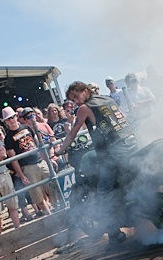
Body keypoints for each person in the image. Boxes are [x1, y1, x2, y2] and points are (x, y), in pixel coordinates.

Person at [58, 81, 137, 241]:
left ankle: (114, 233)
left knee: (103, 191)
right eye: (72, 99)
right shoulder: (107, 100)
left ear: (85, 91)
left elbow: (74, 132)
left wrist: (60, 149)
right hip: (132, 144)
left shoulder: (84, 108)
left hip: (115, 153)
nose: (76, 101)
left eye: (76, 96)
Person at [2, 107, 52, 217]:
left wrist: (47, 159)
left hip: (40, 161)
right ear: (5, 122)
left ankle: (58, 211)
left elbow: (38, 144)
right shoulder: (8, 138)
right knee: (37, 196)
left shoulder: (27, 127)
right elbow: (13, 158)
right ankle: (50, 216)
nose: (11, 120)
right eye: (8, 119)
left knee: (53, 187)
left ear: (16, 116)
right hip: (27, 167)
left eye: (13, 117)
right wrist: (21, 174)